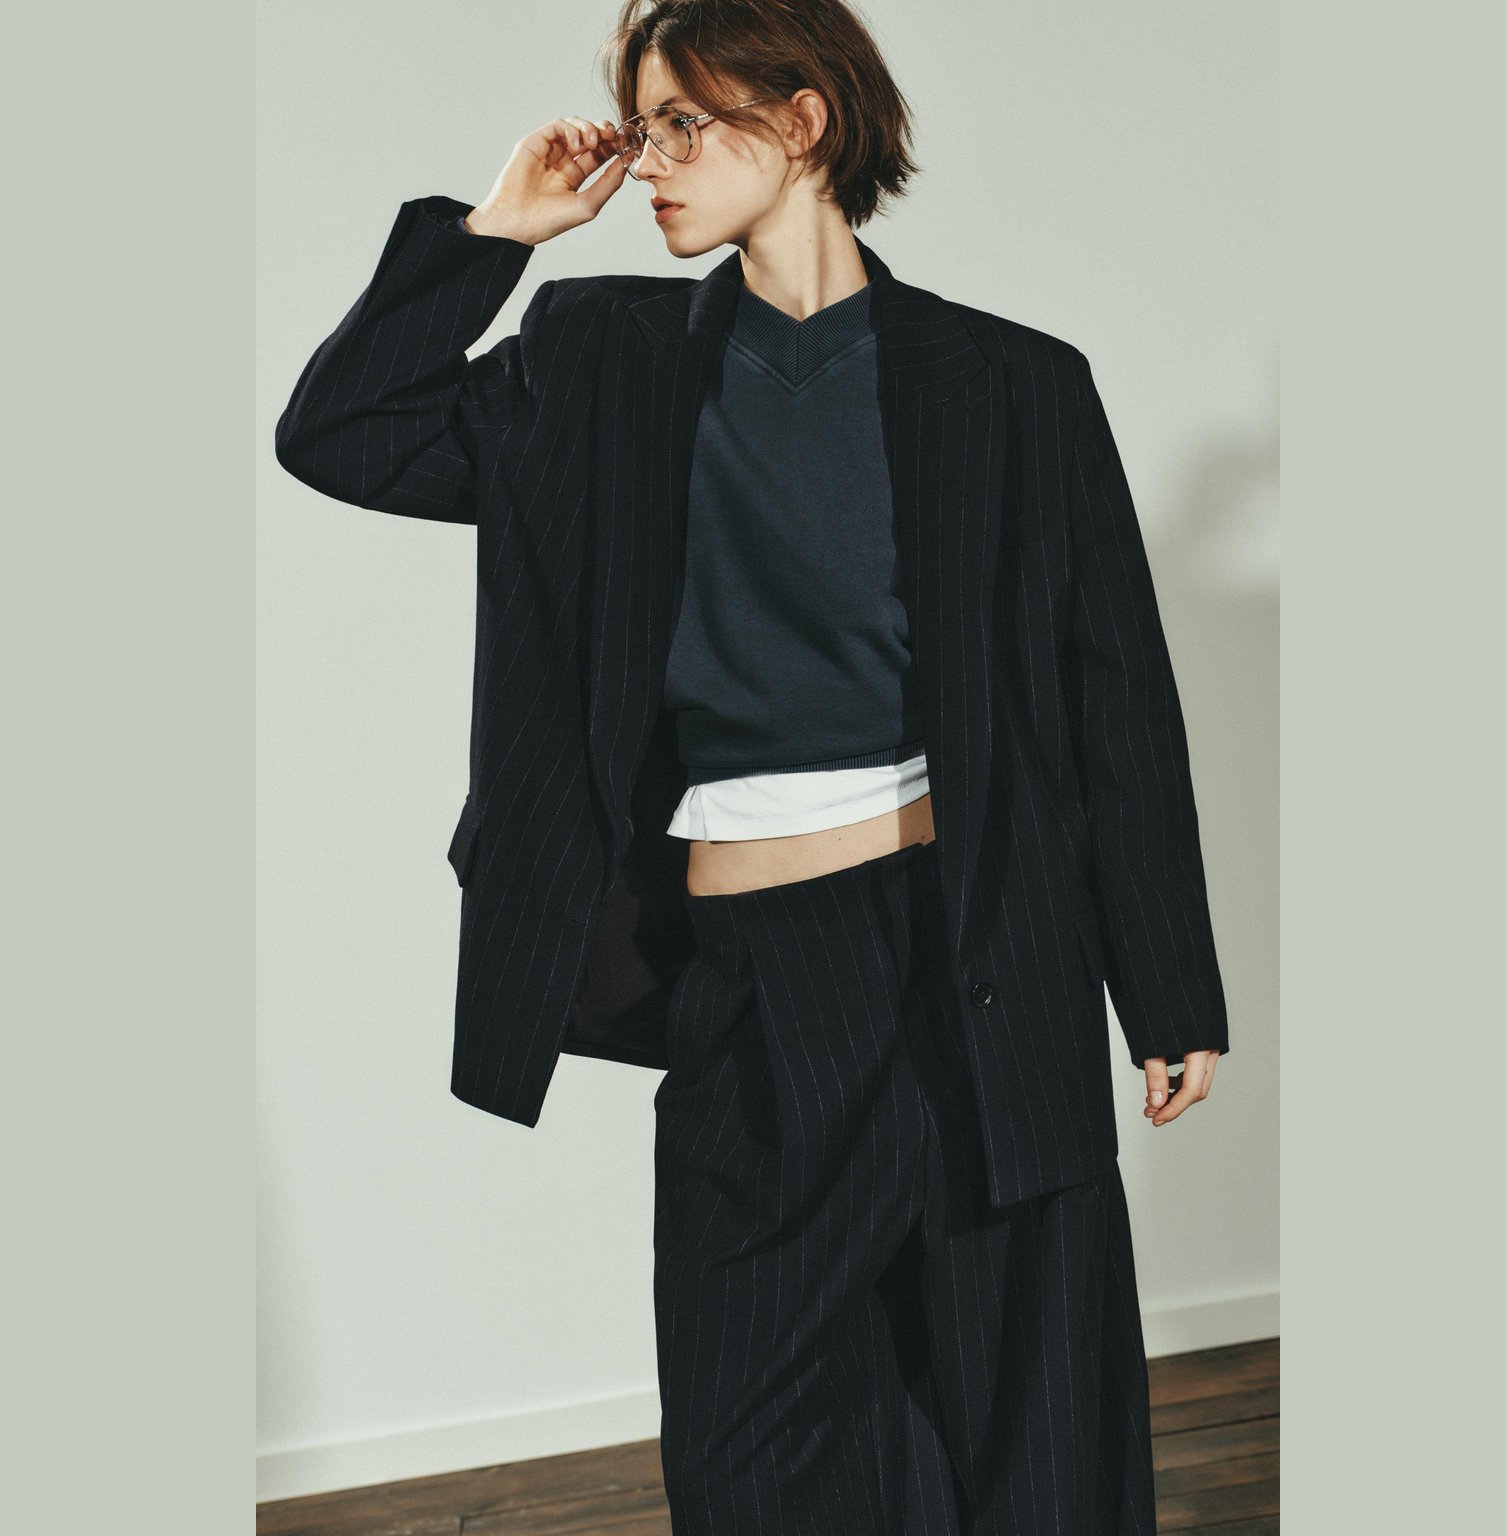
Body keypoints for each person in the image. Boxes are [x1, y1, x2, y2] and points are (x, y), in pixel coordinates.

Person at [274, 2, 1231, 1530]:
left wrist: (1166, 986)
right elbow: (344, 433)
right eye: (641, 125)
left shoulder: (1014, 383)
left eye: (681, 124)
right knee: (755, 1449)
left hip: (983, 966)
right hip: (750, 984)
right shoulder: (599, 365)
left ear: (802, 122)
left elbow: (1111, 697)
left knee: (1031, 1439)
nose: (647, 162)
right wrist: (492, 235)